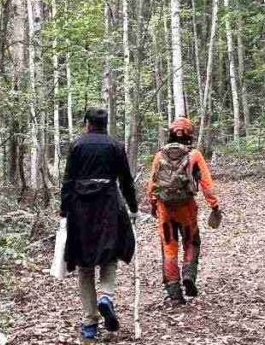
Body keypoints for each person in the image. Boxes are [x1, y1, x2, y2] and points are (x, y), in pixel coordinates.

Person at [60, 107, 138, 342]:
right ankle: (106, 296)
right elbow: (125, 179)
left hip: (81, 210)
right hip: (108, 206)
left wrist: (64, 210)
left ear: (87, 123)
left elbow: (68, 180)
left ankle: (89, 324)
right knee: (109, 255)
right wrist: (133, 207)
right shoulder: (115, 145)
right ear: (106, 123)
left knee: (85, 266)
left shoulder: (77, 146)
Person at [146, 116, 220, 304]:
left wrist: (154, 205)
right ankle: (188, 275)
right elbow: (206, 183)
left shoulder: (160, 154)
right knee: (191, 241)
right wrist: (214, 205)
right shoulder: (194, 155)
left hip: (165, 209)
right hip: (186, 209)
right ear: (189, 134)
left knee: (169, 247)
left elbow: (152, 185)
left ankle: (174, 292)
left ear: (171, 133)